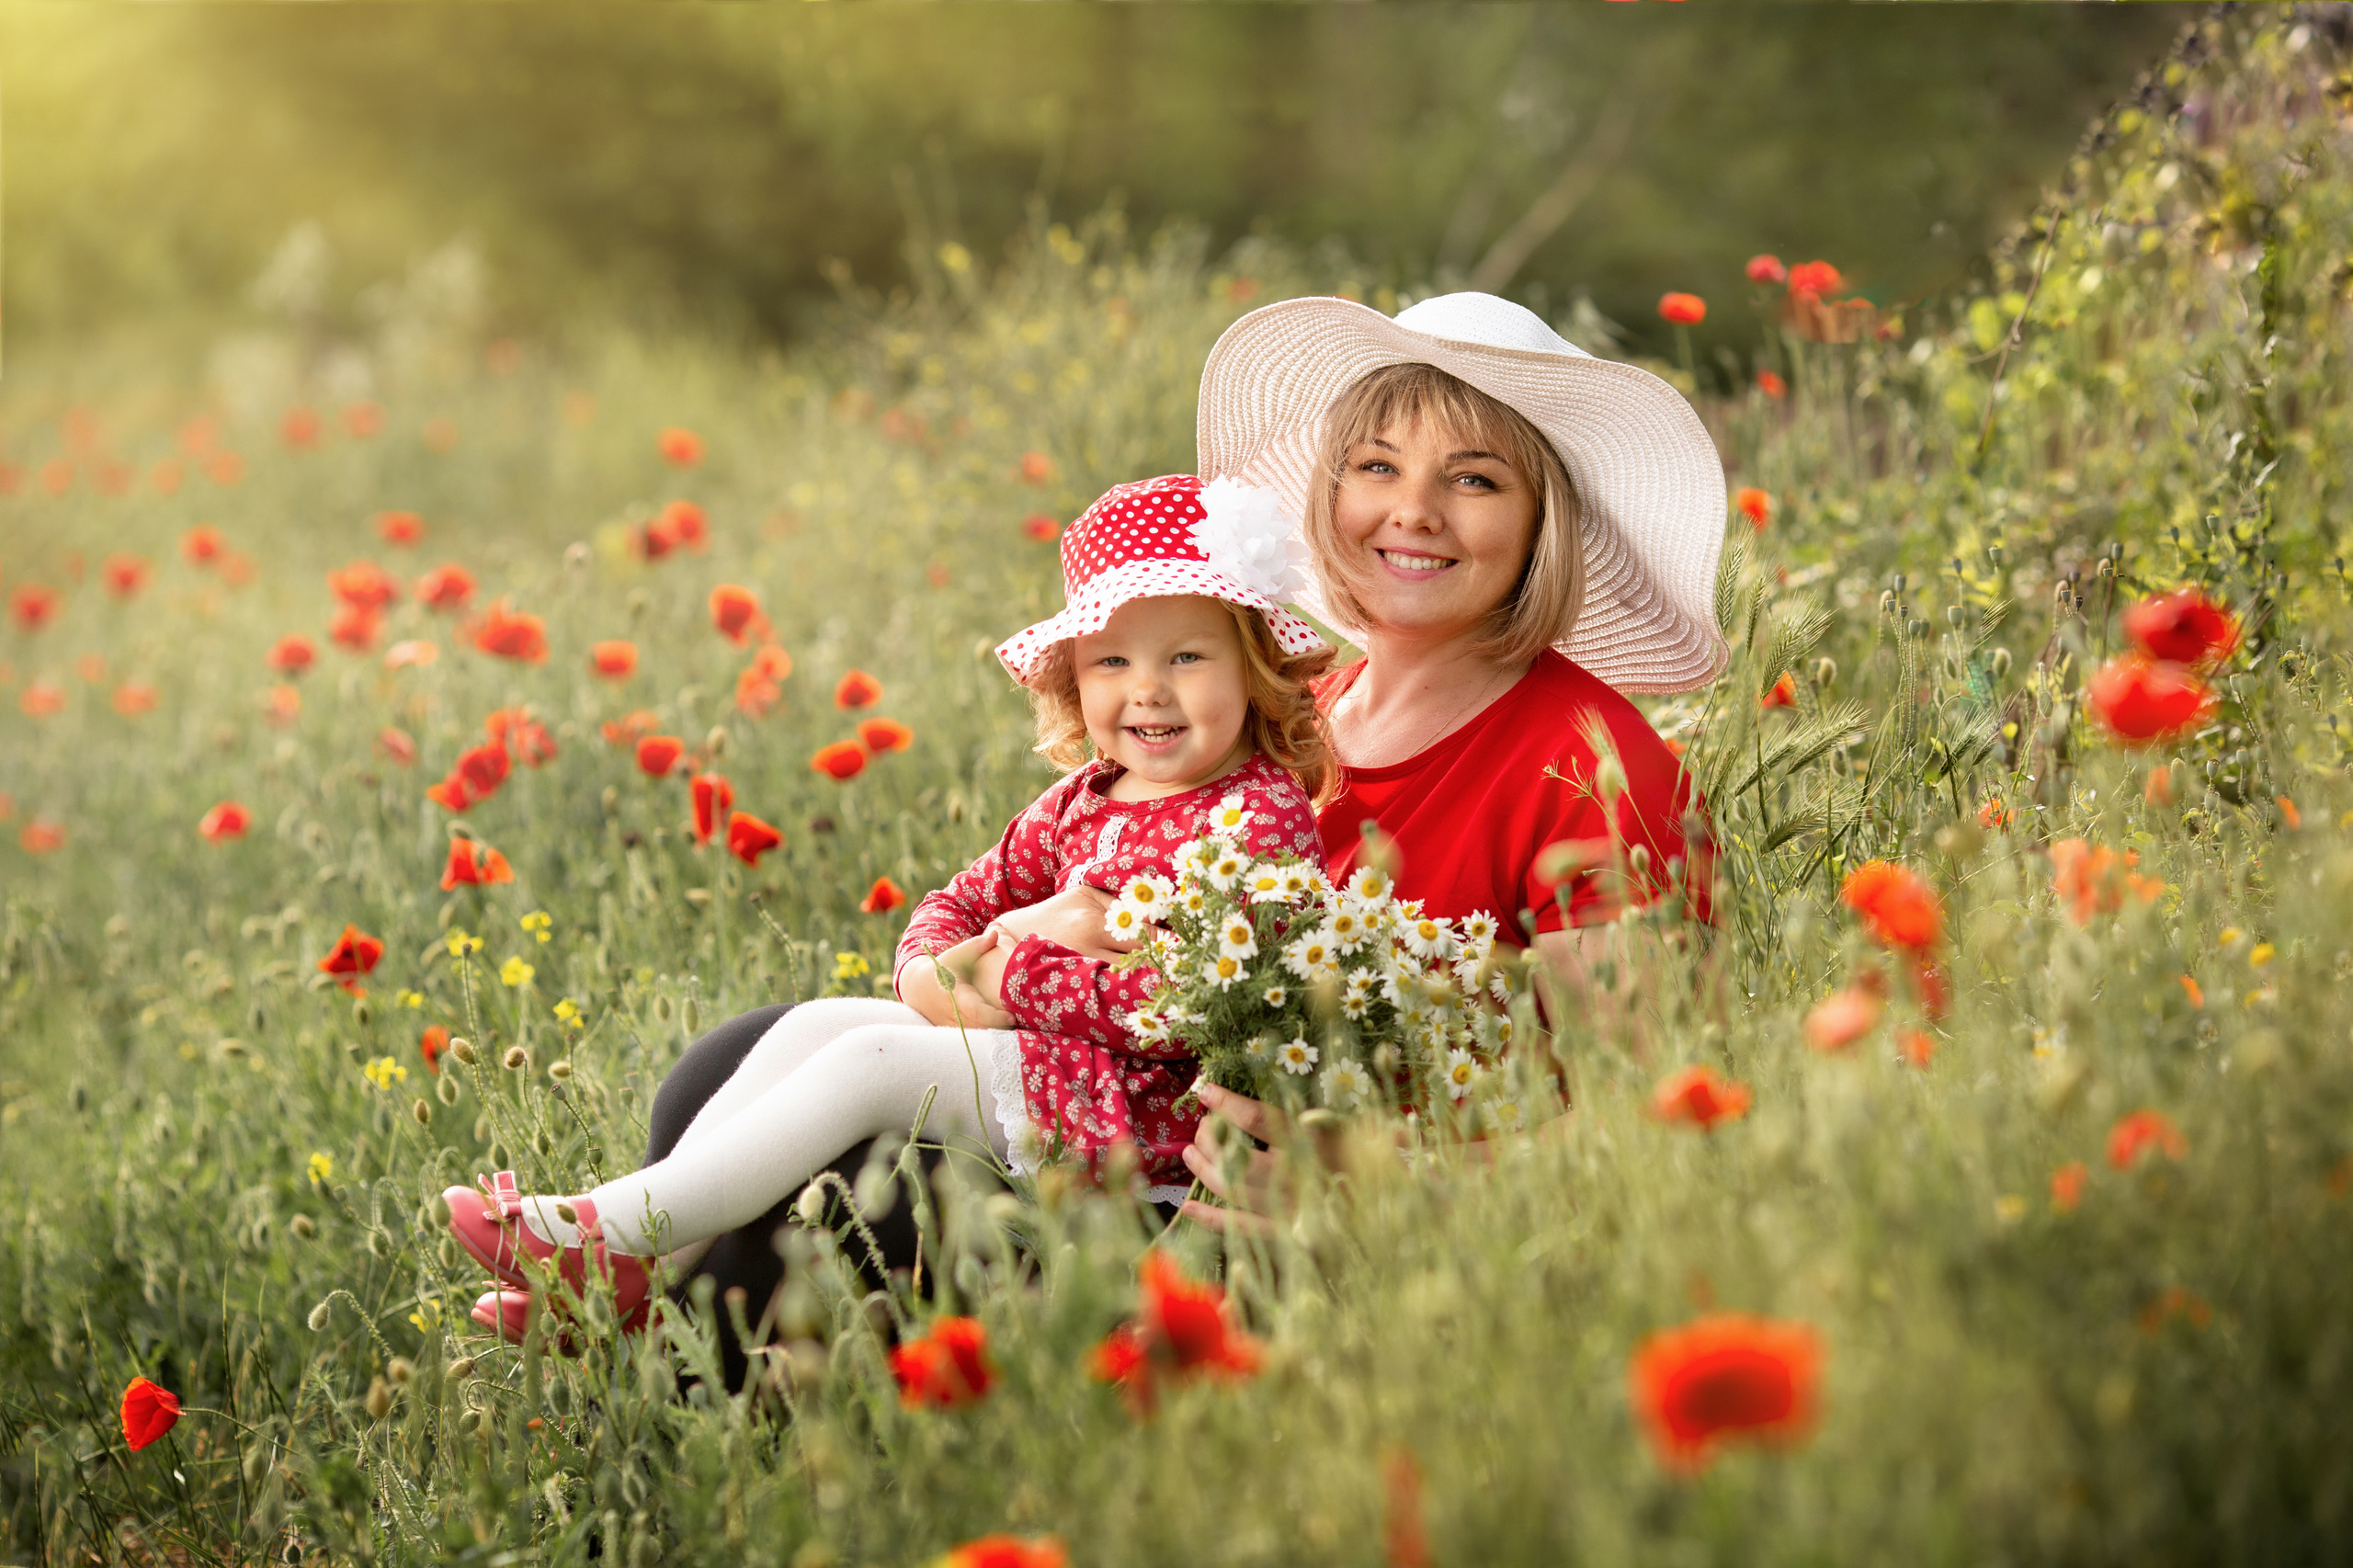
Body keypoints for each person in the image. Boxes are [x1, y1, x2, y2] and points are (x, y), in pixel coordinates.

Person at [443, 473, 1336, 1340]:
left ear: (1254, 665)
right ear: (1074, 678)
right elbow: (960, 901)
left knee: (871, 1062)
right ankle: (639, 1269)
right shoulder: (1085, 797)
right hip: (1049, 1066)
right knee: (818, 1027)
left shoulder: (1256, 814)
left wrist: (1010, 968)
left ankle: (601, 1229)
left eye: (1186, 656)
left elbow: (1189, 1008)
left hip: (1145, 1115)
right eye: (1112, 660)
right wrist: (928, 972)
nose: (1147, 688)